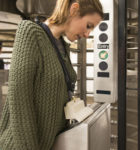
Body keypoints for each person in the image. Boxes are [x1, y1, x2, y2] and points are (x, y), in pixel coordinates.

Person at [0, 0, 103, 149]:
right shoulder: (30, 32)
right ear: (74, 9)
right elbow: (19, 99)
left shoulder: (63, 46)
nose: (87, 34)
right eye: (88, 26)